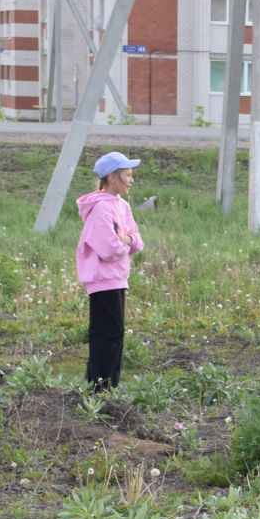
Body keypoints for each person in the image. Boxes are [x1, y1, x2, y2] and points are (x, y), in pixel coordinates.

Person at [76, 151, 145, 391]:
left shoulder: (122, 206)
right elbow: (109, 248)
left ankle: (104, 385)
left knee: (113, 332)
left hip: (117, 277)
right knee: (107, 333)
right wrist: (126, 241)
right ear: (112, 178)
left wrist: (126, 240)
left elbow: (137, 242)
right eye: (127, 175)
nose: (130, 180)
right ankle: (101, 387)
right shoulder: (101, 209)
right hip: (102, 279)